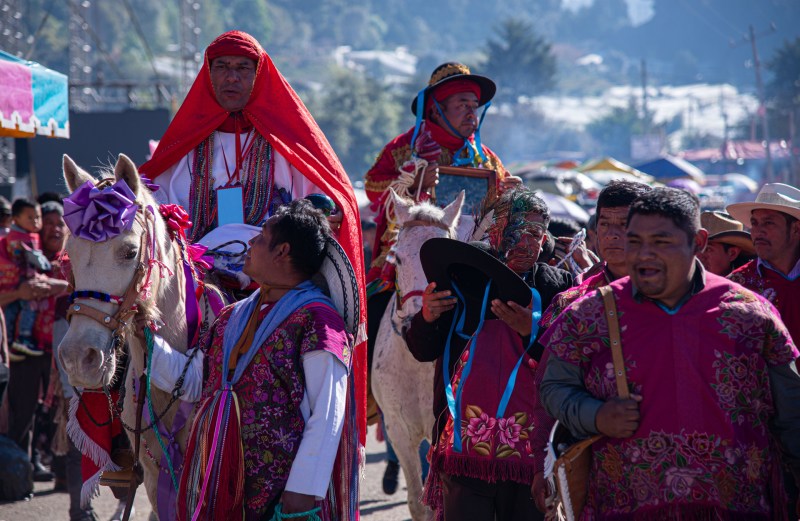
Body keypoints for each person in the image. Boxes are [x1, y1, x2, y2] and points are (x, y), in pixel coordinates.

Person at [139, 29, 367, 452]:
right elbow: (153, 200)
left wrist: (326, 212)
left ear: (260, 75)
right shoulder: (186, 144)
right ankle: (127, 443)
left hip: (276, 280)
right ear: (207, 75)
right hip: (197, 278)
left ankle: (319, 442)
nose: (231, 77)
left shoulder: (286, 141)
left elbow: (328, 199)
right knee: (124, 326)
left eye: (243, 68)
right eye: (221, 67)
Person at [539, 187, 800, 519]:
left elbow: (791, 413)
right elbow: (552, 388)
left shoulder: (751, 314)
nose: (644, 255)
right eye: (635, 242)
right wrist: (596, 415)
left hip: (737, 508)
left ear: (699, 242)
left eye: (661, 242)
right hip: (624, 507)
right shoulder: (589, 314)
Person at [148, 200, 358, 520]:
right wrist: (142, 338)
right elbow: (193, 384)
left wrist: (301, 492)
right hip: (221, 485)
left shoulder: (319, 322)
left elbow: (328, 413)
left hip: (283, 495)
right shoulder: (232, 317)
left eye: (259, 238)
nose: (250, 244)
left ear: (281, 251)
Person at [363, 61, 520, 485]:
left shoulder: (486, 159)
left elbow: (500, 204)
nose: (471, 111)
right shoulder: (405, 146)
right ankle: (361, 398)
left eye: (474, 105)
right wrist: (409, 176)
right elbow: (373, 187)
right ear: (437, 108)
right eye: (461, 104)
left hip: (469, 263)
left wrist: (511, 198)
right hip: (409, 259)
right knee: (372, 310)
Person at [404, 187, 572, 520]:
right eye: (517, 230)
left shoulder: (559, 288)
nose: (527, 241)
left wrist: (533, 332)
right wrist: (426, 317)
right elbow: (424, 351)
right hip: (463, 446)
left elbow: (572, 361)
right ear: (494, 232)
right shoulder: (460, 275)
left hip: (531, 453)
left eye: (537, 233)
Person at [530, 179, 651, 511]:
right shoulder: (570, 303)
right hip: (592, 463)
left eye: (622, 225)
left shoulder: (672, 297)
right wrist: (543, 462)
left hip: (665, 468)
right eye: (604, 224)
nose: (611, 235)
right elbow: (546, 392)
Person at [3, 201, 70, 481]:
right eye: (49, 222)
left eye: (60, 223)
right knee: (24, 409)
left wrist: (60, 285)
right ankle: (20, 471)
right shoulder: (21, 258)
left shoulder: (77, 260)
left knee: (63, 409)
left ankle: (64, 474)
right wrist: (21, 291)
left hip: (62, 349)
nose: (54, 228)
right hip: (27, 348)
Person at [727, 183, 800, 352]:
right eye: (754, 223)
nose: (758, 231)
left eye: (768, 223)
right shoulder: (737, 285)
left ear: (796, 229)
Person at [2, 198, 52, 357]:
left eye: (38, 217)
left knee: (11, 310)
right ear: (15, 219)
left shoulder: (14, 235)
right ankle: (23, 337)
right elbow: (33, 257)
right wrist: (45, 265)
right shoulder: (25, 237)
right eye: (30, 217)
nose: (36, 221)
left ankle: (8, 340)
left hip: (11, 281)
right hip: (25, 280)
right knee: (30, 306)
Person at [697, 210, 756, 276]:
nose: (698, 256)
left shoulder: (750, 283)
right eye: (696, 248)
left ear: (732, 253)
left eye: (708, 249)